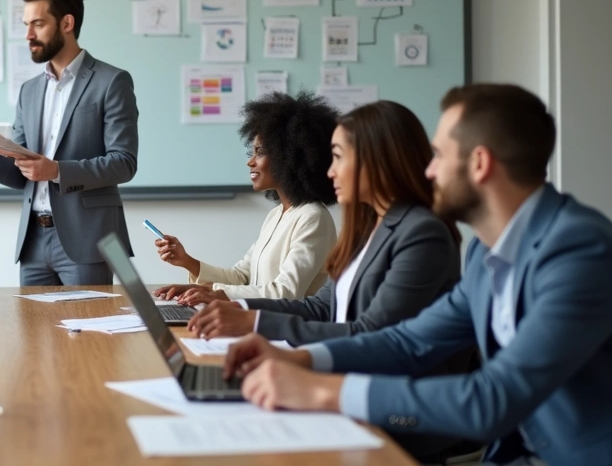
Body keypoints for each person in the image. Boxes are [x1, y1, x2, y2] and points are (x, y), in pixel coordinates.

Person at [223, 84, 612, 465]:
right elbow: (408, 341)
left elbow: (492, 399)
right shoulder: (484, 250)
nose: (428, 170)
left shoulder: (578, 250)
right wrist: (305, 359)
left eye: (439, 155)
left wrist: (326, 391)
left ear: (479, 163)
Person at [185, 101, 462, 348]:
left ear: (377, 160)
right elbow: (320, 306)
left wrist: (255, 324)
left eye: (338, 157)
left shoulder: (421, 233)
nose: (330, 171)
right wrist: (239, 307)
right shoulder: (365, 228)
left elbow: (374, 335)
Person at [0, 0, 139, 286]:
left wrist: (55, 170)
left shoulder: (112, 82)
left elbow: (124, 162)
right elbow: (24, 172)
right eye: (27, 24)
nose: (28, 34)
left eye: (38, 24)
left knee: (89, 332)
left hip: (88, 240)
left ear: (67, 23)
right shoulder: (29, 91)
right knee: (33, 335)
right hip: (32, 244)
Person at [152, 91, 338, 304]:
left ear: (287, 157)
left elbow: (286, 291)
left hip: (283, 330)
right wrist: (188, 265)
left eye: (260, 152)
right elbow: (241, 277)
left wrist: (216, 294)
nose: (251, 162)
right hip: (256, 320)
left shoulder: (312, 217)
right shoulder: (277, 214)